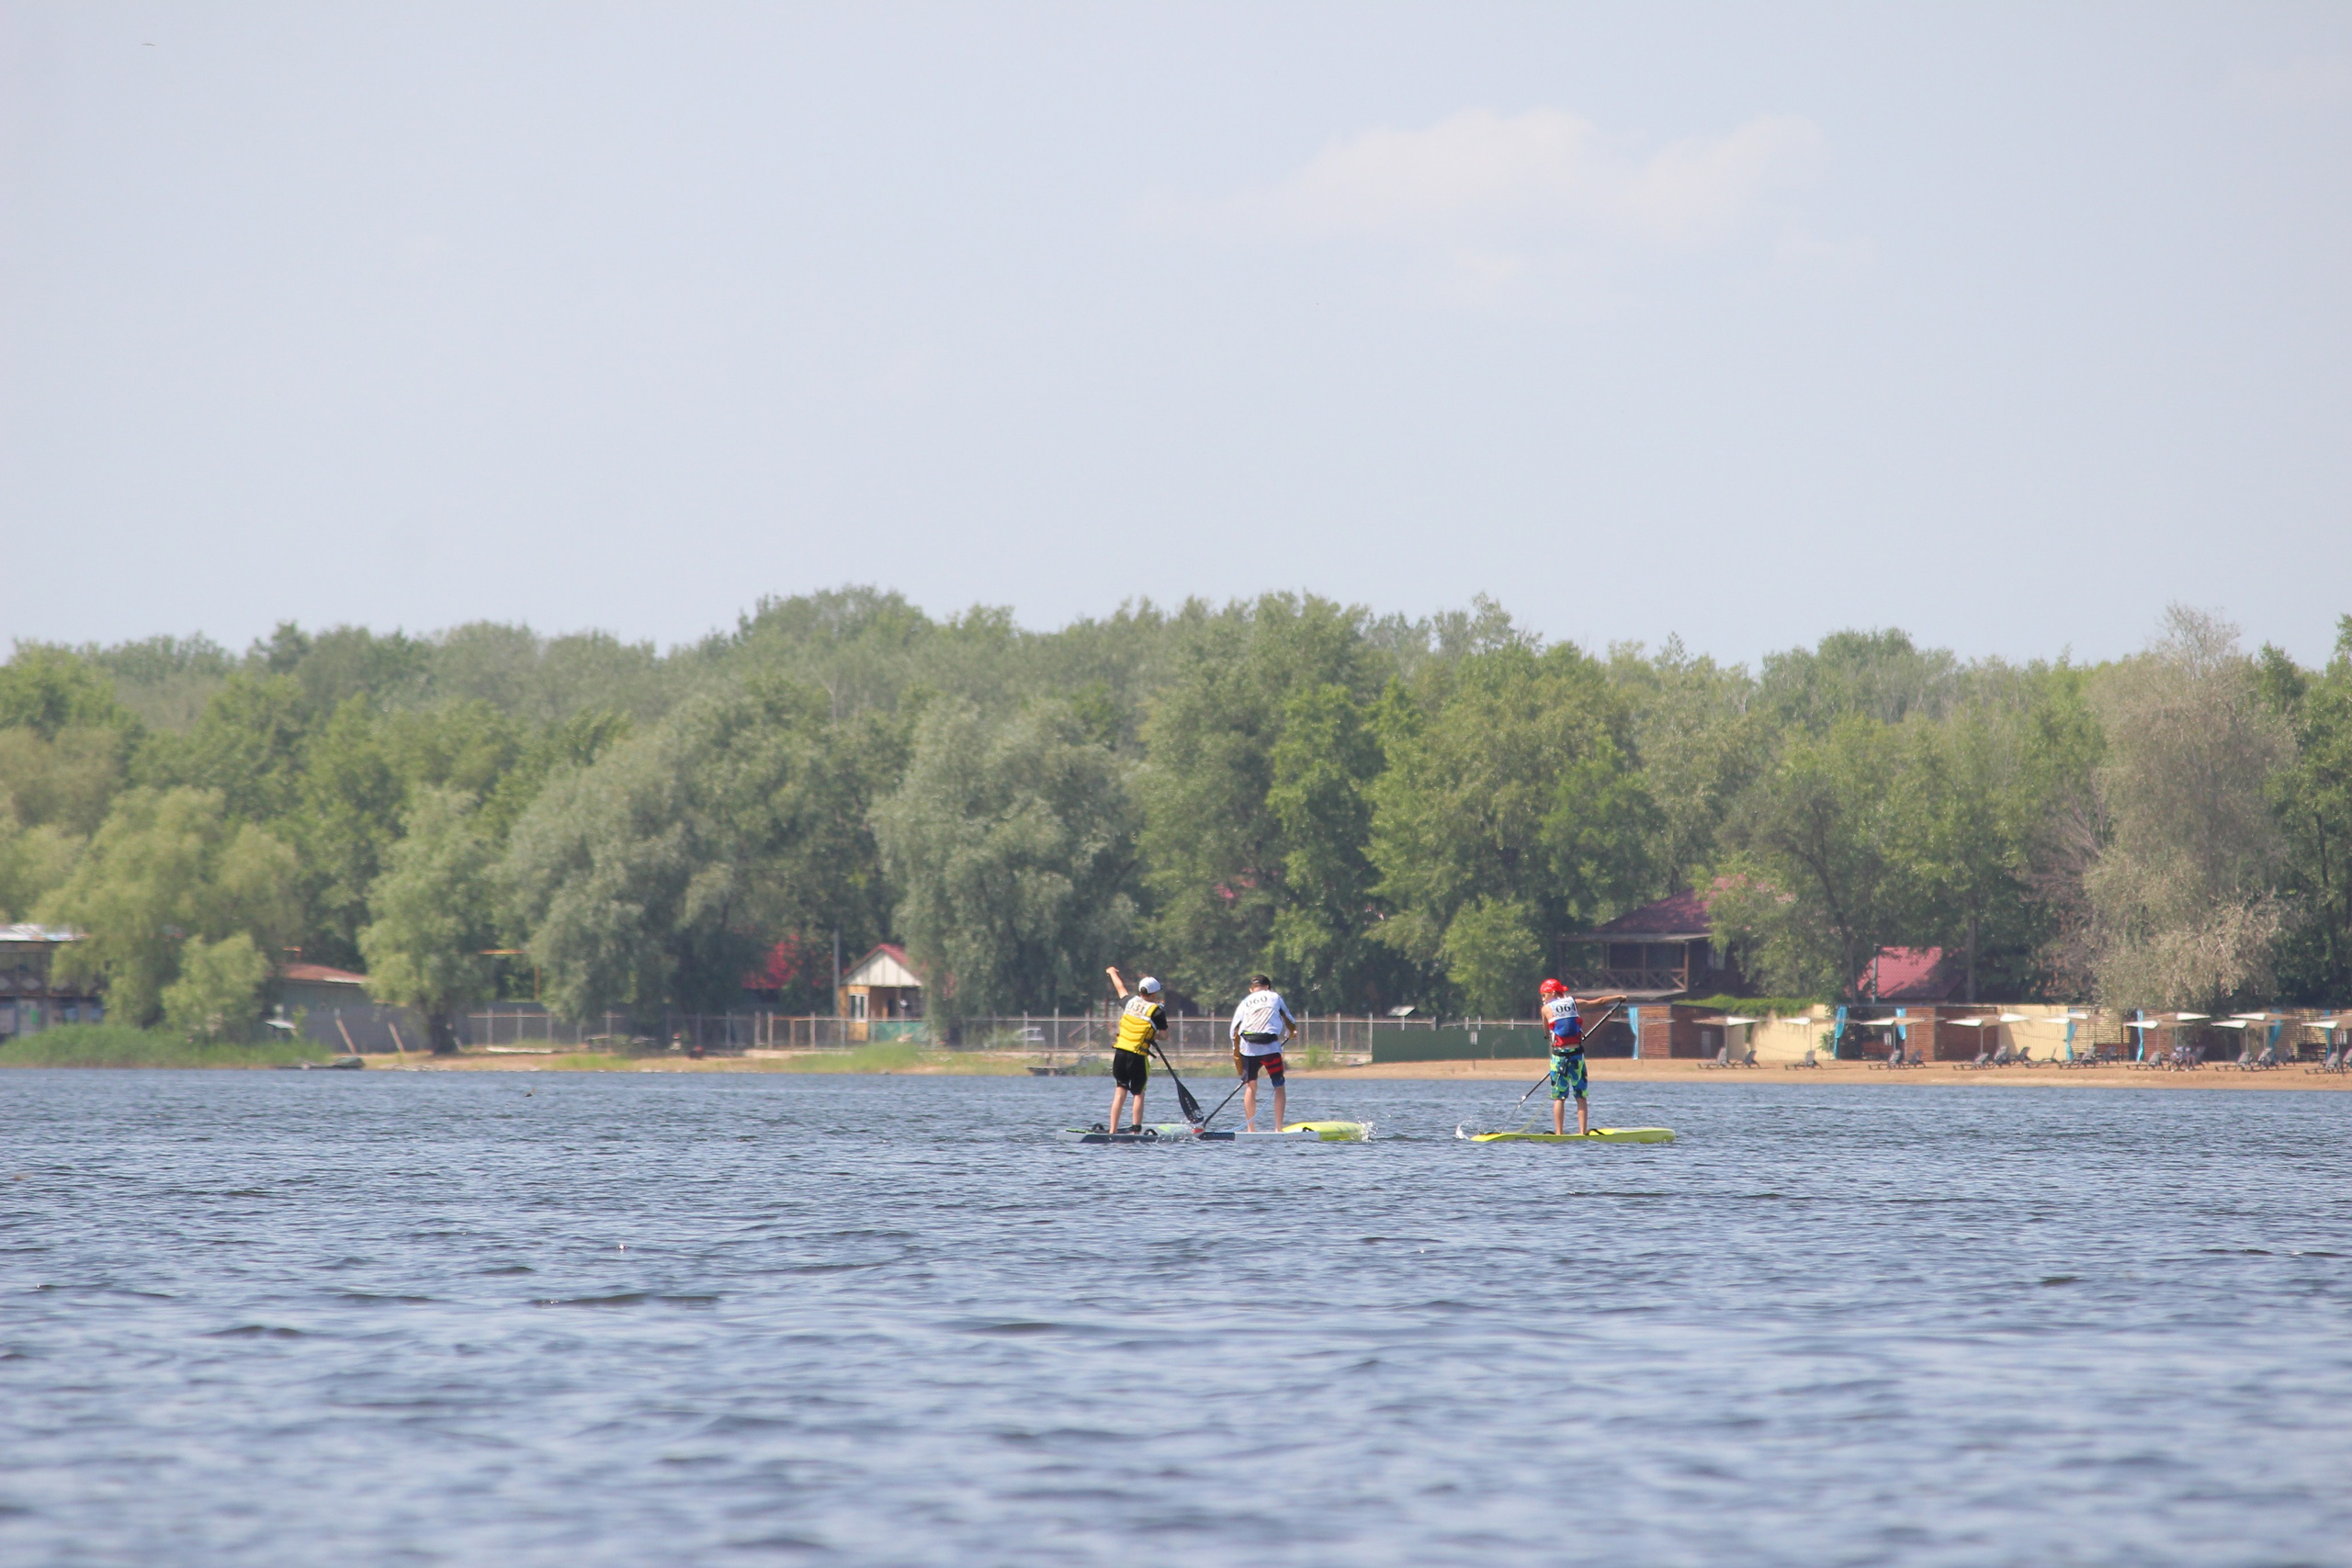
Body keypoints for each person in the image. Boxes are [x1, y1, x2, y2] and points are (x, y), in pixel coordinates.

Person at [1539, 980, 1623, 1136]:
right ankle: (1582, 1132)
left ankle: (1559, 1134)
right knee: (1581, 1096)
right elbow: (1599, 1002)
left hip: (1559, 1057)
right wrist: (1618, 997)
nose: (1543, 998)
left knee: (1559, 1098)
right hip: (1577, 1056)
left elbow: (1546, 1032)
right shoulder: (1574, 1003)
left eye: (1544, 995)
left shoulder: (1546, 1009)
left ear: (1552, 993)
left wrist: (1549, 1040)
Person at [1227, 974, 1296, 1132]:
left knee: (1251, 1087)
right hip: (1270, 1047)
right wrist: (1290, 1033)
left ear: (1251, 989)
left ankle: (1250, 1129)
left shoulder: (1244, 1002)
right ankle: (1278, 1128)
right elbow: (1290, 1020)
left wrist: (1237, 1054)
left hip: (1248, 1048)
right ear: (1268, 987)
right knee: (1279, 1086)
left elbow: (1234, 1030)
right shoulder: (1275, 997)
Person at [1104, 967, 1167, 1134]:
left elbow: (1120, 988)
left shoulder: (1129, 1002)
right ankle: (1136, 1131)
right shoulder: (1157, 1011)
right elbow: (1164, 1035)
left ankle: (1112, 1130)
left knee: (1120, 1090)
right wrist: (1152, 1036)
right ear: (1154, 995)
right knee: (1138, 1093)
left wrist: (1112, 972)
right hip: (1138, 1056)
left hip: (1120, 1053)